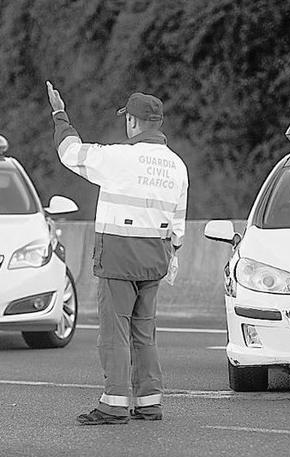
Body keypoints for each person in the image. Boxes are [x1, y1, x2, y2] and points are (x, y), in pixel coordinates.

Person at [45, 82, 189, 425]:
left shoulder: (118, 158)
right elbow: (179, 225)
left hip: (119, 257)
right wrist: (173, 254)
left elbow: (71, 153)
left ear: (133, 123)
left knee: (115, 333)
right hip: (155, 258)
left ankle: (114, 404)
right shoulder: (177, 166)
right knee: (144, 333)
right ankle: (149, 401)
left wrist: (59, 115)